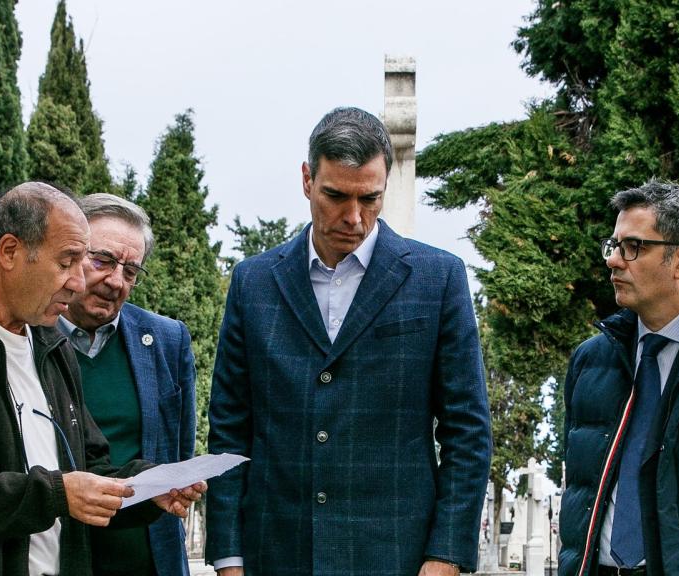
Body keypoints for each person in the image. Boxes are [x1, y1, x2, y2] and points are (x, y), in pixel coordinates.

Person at [205, 106, 492, 576]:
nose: (354, 217)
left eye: (370, 199)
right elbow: (230, 429)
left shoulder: (438, 278)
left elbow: (467, 430)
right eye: (336, 196)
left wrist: (445, 558)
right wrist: (229, 557)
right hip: (274, 554)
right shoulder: (252, 283)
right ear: (306, 180)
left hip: (397, 556)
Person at [0, 182, 203, 576]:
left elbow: (88, 466)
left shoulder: (51, 346)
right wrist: (56, 494)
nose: (79, 282)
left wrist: (149, 488)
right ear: (10, 252)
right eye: (66, 263)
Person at [560, 181, 679, 576]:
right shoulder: (589, 360)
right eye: (613, 245)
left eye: (633, 247)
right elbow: (579, 491)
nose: (614, 260)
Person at [59, 193, 196, 576]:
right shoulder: (29, 338)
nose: (116, 281)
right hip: (61, 555)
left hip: (149, 561)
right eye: (102, 260)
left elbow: (177, 453)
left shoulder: (167, 340)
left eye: (131, 270)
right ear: (69, 254)